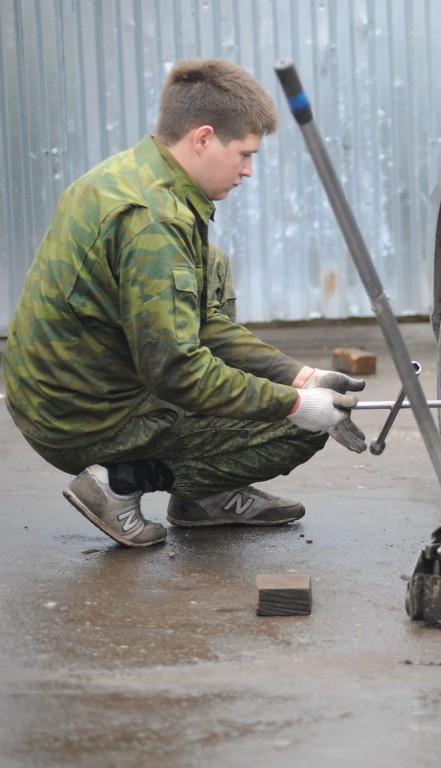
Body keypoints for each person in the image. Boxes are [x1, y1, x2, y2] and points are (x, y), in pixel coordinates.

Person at [2, 58, 366, 549]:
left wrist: (302, 378)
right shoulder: (154, 223)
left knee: (211, 267)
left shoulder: (138, 175)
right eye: (244, 154)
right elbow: (175, 369)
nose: (249, 171)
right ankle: (121, 482)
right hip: (80, 419)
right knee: (298, 430)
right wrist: (297, 405)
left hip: (65, 389)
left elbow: (201, 324)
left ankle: (202, 496)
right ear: (202, 138)